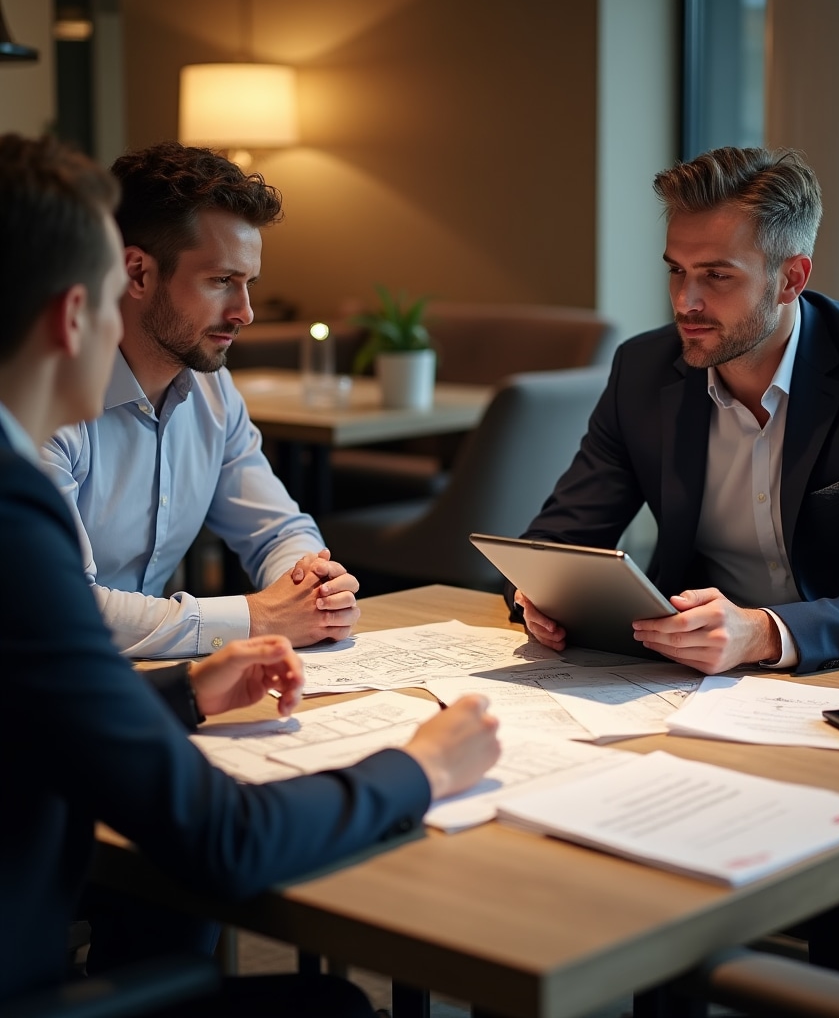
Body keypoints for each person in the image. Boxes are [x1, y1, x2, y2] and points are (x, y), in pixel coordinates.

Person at [0, 132, 500, 1015]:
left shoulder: (202, 395)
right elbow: (225, 837)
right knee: (334, 1008)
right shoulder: (14, 507)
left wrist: (188, 687)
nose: (244, 310)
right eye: (108, 297)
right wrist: (420, 767)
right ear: (82, 310)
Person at [505, 146, 839, 989]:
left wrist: (766, 631)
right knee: (590, 805)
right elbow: (561, 537)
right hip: (717, 680)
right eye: (676, 272)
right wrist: (543, 594)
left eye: (716, 276)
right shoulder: (644, 369)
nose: (686, 302)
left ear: (791, 278)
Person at [39, 141, 357, 659]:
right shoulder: (43, 401)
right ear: (137, 272)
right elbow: (62, 606)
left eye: (248, 284)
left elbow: (278, 530)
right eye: (221, 281)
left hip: (151, 677)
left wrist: (313, 589)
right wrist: (257, 617)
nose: (245, 312)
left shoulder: (213, 390)